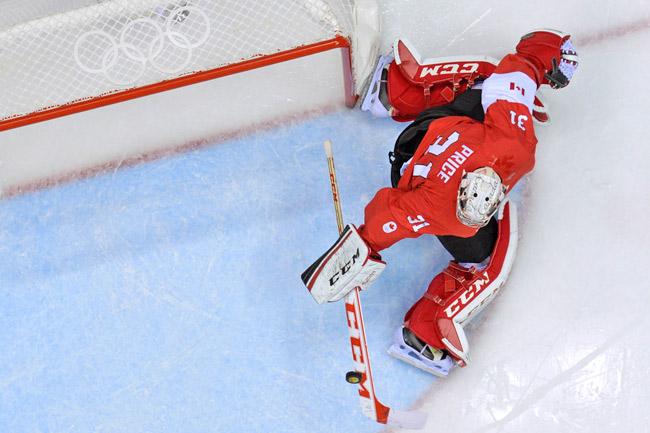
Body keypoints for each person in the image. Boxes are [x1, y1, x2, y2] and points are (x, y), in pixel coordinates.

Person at [301, 30, 579, 377]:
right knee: (481, 260)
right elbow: (386, 220)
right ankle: (424, 332)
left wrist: (358, 253)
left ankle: (395, 89)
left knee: (488, 81)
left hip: (421, 159)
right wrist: (359, 251)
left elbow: (382, 222)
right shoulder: (513, 151)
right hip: (417, 149)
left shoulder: (500, 152)